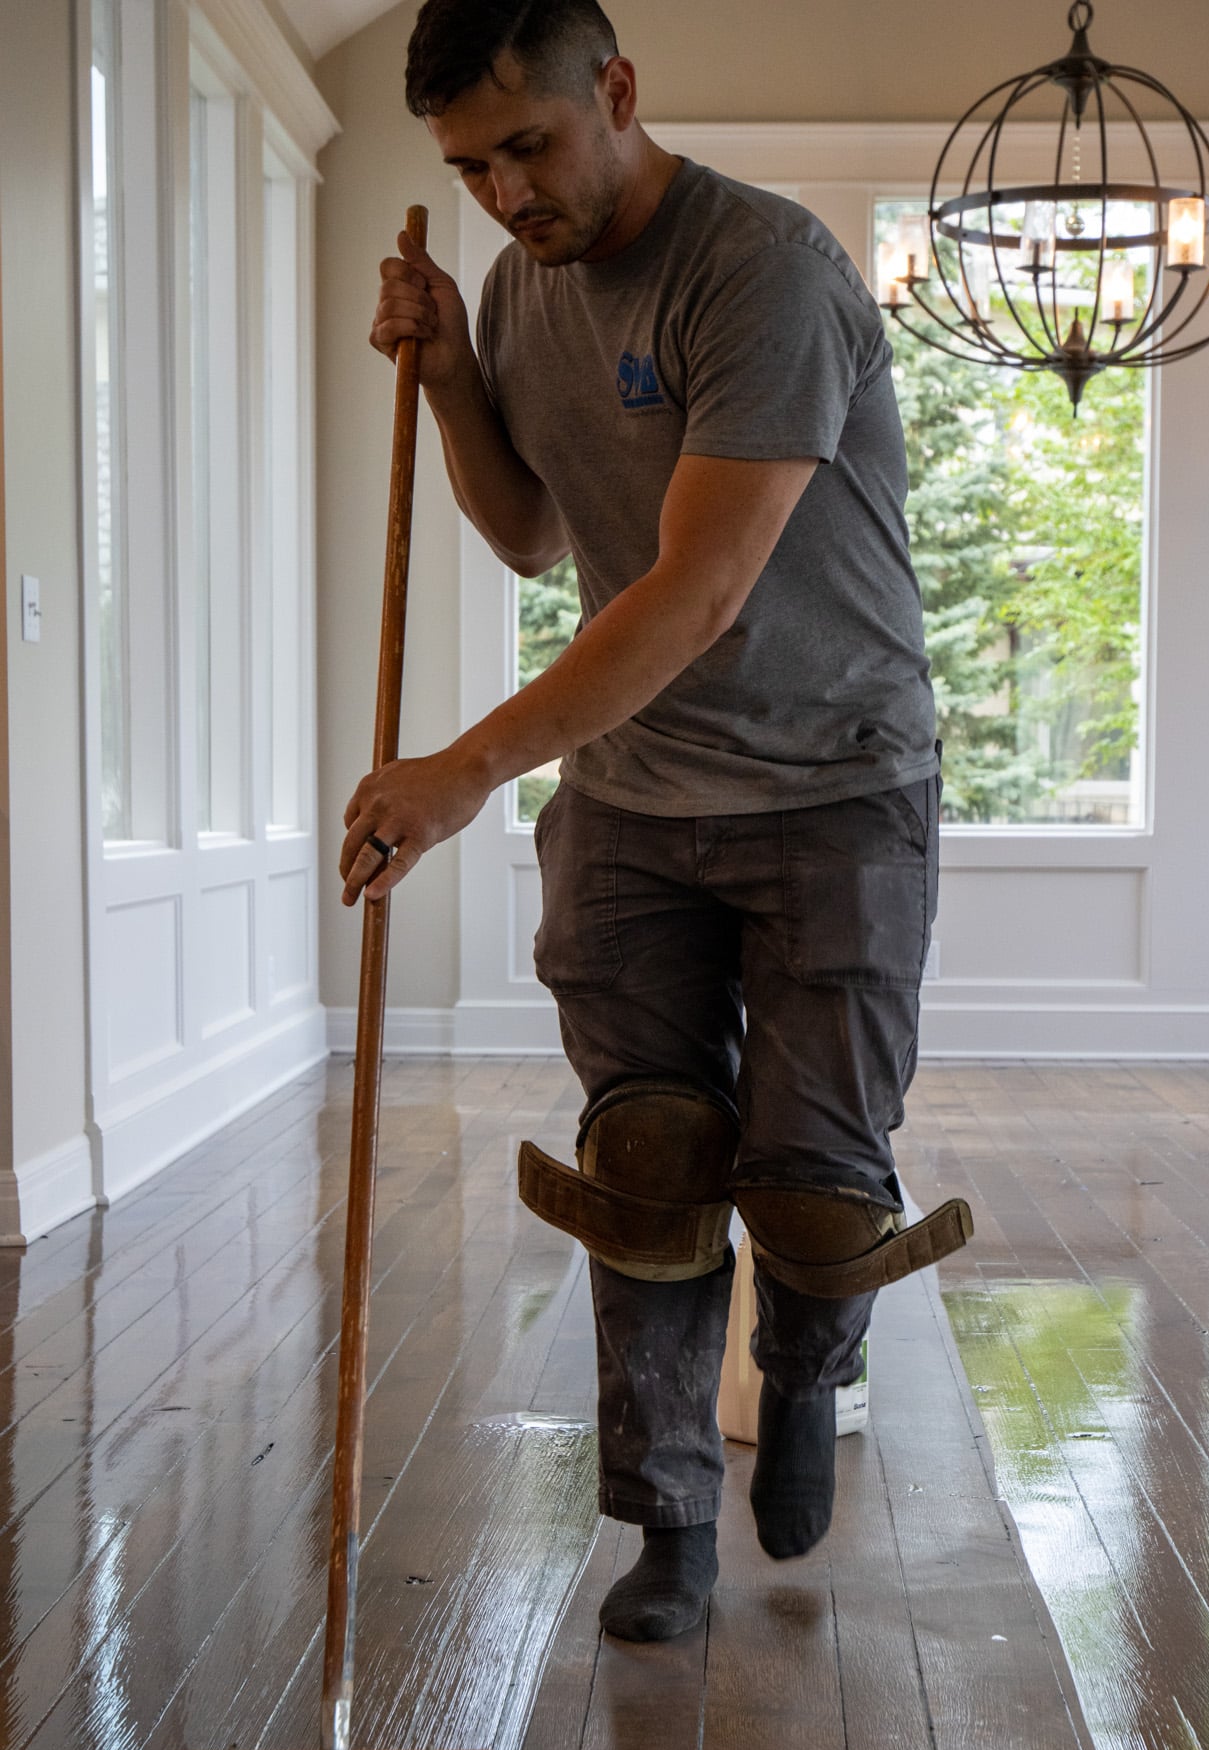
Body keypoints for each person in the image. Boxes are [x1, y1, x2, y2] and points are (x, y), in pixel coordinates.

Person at [342, 0, 960, 1644]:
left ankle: (808, 1371)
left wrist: (464, 768)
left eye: (527, 147)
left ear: (615, 91)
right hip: (630, 797)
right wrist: (459, 376)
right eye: (468, 166)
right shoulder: (513, 279)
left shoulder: (762, 269)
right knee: (651, 1163)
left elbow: (692, 594)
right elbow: (534, 536)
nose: (501, 195)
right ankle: (667, 1520)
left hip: (835, 783)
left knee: (818, 1190)